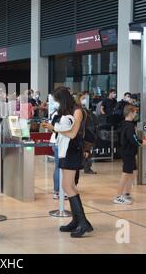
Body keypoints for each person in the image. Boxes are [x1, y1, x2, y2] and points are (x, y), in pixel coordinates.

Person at [42, 87, 93, 238]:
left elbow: (72, 134)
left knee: (67, 186)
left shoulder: (77, 110)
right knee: (68, 186)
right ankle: (78, 221)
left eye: (57, 100)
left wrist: (54, 128)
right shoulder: (68, 110)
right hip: (65, 150)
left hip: (72, 150)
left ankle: (82, 222)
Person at [114, 105, 146, 205]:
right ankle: (118, 196)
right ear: (130, 113)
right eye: (135, 112)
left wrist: (139, 141)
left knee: (133, 172)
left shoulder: (124, 124)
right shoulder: (129, 125)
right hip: (128, 152)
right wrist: (141, 143)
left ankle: (126, 193)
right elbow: (132, 138)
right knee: (125, 174)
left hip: (128, 152)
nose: (136, 114)